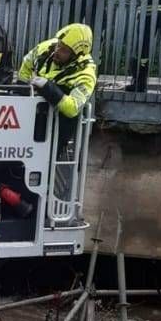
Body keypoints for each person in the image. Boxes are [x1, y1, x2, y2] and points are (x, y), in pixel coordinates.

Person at [17, 23, 98, 211]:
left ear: (76, 54)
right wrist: (24, 90)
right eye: (59, 45)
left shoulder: (86, 74)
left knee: (44, 167)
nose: (57, 51)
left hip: (58, 126)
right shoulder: (47, 48)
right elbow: (26, 64)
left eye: (64, 50)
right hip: (30, 117)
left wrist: (48, 88)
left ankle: (38, 209)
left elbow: (72, 108)